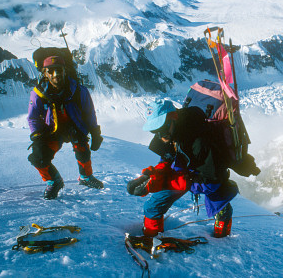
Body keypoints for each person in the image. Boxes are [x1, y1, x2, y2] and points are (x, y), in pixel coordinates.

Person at [127, 99, 239, 238]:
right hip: (185, 173)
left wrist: (165, 182)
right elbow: (168, 158)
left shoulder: (201, 141)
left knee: (219, 205)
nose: (160, 136)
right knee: (153, 206)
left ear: (174, 117)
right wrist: (152, 175)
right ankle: (150, 237)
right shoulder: (170, 133)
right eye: (155, 130)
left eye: (162, 128)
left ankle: (223, 242)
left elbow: (210, 181)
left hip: (208, 177)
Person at [27, 51, 104, 200]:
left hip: (74, 126)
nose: (56, 74)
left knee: (83, 150)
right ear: (45, 73)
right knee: (38, 157)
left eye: (59, 70)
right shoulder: (38, 94)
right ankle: (54, 181)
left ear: (65, 71)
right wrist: (37, 136)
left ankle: (86, 177)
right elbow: (33, 117)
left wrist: (95, 132)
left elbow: (89, 113)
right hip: (52, 131)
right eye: (51, 71)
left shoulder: (79, 91)